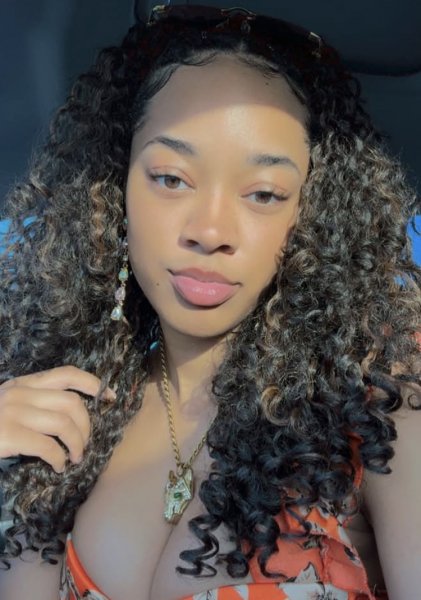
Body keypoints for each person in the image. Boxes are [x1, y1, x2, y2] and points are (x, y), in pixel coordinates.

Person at [0, 4, 420, 599]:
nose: (210, 230)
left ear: (314, 215)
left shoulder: (375, 401)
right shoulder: (65, 410)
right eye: (171, 179)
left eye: (264, 193)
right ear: (113, 189)